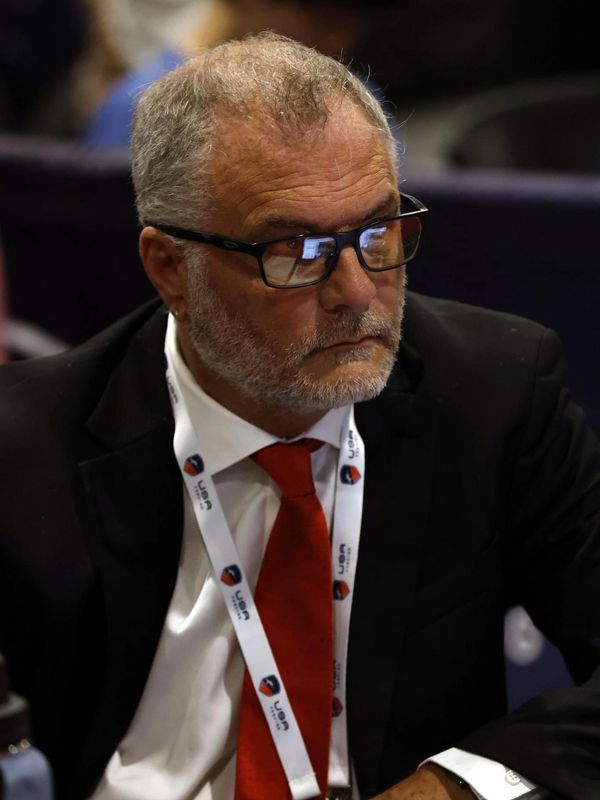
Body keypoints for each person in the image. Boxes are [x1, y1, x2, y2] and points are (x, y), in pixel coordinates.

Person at [1, 32, 599, 800]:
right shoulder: (24, 453)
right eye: (296, 251)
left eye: (377, 232)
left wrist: (451, 789)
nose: (356, 292)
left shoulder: (494, 392)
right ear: (170, 268)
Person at [81, 0, 391, 148]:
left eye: (353, 21)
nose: (340, 40)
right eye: (322, 18)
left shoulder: (353, 96)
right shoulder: (138, 108)